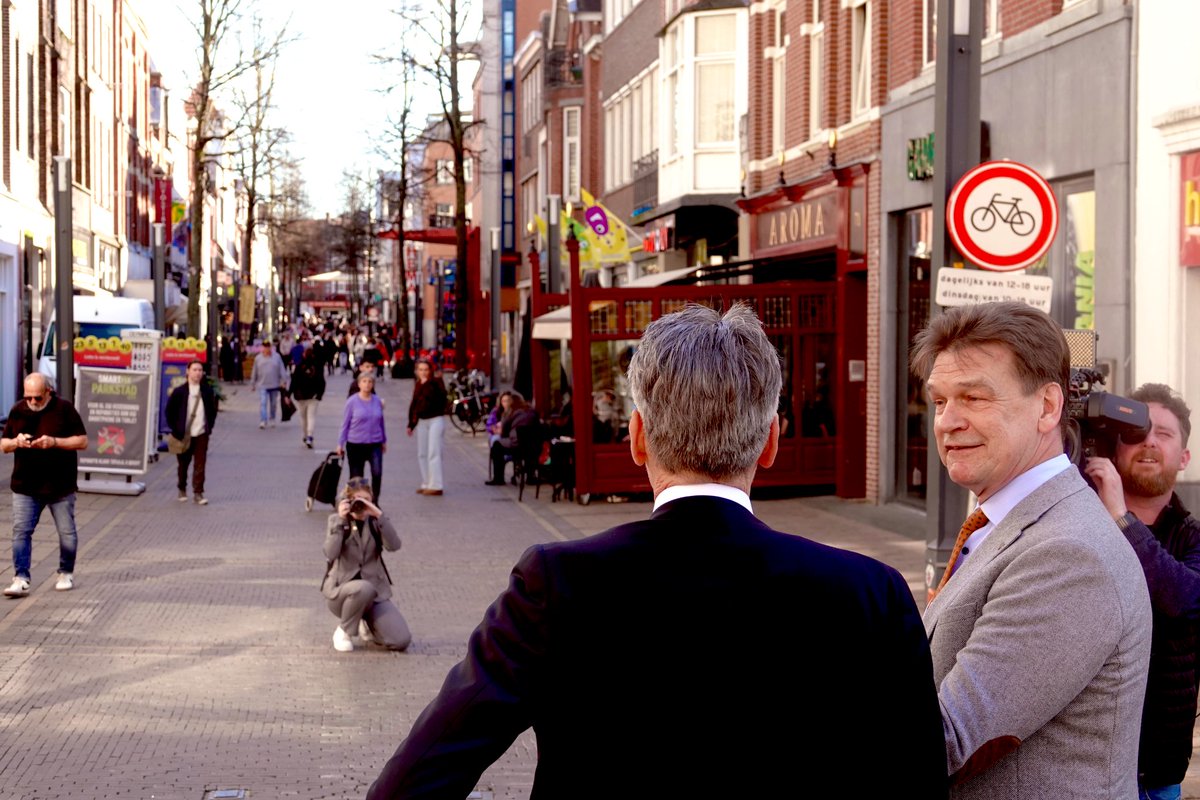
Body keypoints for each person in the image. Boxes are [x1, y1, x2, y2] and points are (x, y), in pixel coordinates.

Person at [367, 304, 947, 799]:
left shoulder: (558, 583)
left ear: (637, 437)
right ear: (771, 441)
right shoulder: (871, 592)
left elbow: (413, 783)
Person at [913, 301, 1152, 798]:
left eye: (973, 397)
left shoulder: (1067, 554)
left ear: (1047, 407)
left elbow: (942, 742)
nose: (947, 421)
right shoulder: (1008, 521)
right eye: (939, 401)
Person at [1084, 383, 1200, 800]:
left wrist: (1121, 516)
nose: (1149, 441)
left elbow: (1184, 600)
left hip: (1156, 773)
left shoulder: (1193, 538)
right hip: (1081, 765)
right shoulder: (1079, 521)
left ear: (1184, 458)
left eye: (1164, 435)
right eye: (1137, 432)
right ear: (1115, 450)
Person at [1, 374, 89, 597]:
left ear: (48, 392)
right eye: (27, 397)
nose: (32, 402)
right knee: (21, 531)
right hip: (25, 484)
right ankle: (21, 578)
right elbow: (4, 443)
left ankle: (65, 572)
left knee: (66, 531)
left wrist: (55, 442)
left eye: (37, 398)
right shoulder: (18, 410)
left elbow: (82, 441)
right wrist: (16, 442)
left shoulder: (64, 409)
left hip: (60, 485)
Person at [321, 477, 412, 653]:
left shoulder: (376, 522)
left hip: (375, 596)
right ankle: (344, 631)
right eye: (357, 501)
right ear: (348, 500)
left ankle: (366, 623)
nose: (361, 506)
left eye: (366, 501)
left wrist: (379, 515)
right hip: (341, 594)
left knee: (400, 640)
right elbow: (330, 553)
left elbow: (394, 545)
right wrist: (341, 520)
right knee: (363, 588)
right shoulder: (337, 521)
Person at [165, 360, 220, 505]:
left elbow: (212, 411)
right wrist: (176, 429)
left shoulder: (207, 392)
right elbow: (169, 412)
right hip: (184, 434)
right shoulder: (180, 392)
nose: (197, 373)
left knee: (200, 464)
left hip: (201, 433)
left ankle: (198, 493)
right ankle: (182, 487)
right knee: (183, 463)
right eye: (194, 370)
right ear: (188, 372)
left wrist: (210, 427)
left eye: (200, 370)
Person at [338, 373, 386, 503]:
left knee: (377, 473)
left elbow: (381, 422)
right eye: (364, 381)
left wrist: (384, 440)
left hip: (374, 443)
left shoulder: (377, 401)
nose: (367, 384)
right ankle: (356, 501)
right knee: (357, 476)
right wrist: (340, 443)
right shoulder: (352, 401)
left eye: (370, 382)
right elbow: (345, 424)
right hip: (355, 443)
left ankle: (374, 501)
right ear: (359, 384)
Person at [407, 360, 447, 497]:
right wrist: (411, 424)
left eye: (426, 369)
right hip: (422, 421)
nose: (423, 372)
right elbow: (414, 404)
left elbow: (439, 399)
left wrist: (428, 384)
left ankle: (436, 484)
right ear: (417, 371)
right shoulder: (418, 384)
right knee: (422, 453)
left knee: (434, 452)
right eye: (420, 369)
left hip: (435, 419)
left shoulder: (435, 383)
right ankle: (426, 482)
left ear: (430, 370)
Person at [484, 393, 539, 486]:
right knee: (528, 448)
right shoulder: (531, 410)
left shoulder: (512, 412)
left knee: (497, 446)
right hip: (533, 446)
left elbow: (504, 430)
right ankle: (530, 476)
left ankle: (498, 478)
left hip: (516, 445)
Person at [291, 347, 327, 449]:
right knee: (311, 417)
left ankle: (305, 435)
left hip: (301, 396)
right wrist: (320, 394)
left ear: (304, 355)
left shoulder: (299, 366)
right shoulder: (318, 366)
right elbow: (322, 382)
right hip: (313, 396)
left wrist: (289, 393)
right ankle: (310, 436)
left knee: (303, 417)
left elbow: (294, 381)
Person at [250, 339, 288, 429]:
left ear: (270, 347)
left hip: (274, 384)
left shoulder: (277, 357)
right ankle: (263, 420)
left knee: (273, 403)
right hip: (262, 384)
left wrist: (284, 381)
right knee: (263, 403)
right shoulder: (258, 358)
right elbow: (254, 371)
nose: (267, 348)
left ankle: (272, 418)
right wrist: (253, 383)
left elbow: (281, 369)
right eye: (265, 346)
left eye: (268, 346)